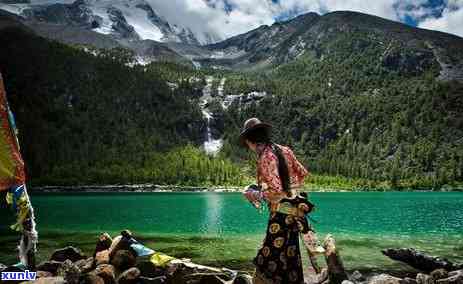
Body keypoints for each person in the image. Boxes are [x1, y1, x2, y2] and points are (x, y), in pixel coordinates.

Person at [240, 118, 324, 284]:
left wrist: (255, 194)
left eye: (247, 143)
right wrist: (291, 193)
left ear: (250, 141)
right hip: (294, 215)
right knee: (290, 257)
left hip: (279, 215)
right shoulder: (284, 150)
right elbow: (302, 173)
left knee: (268, 257)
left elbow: (276, 191)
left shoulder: (265, 157)